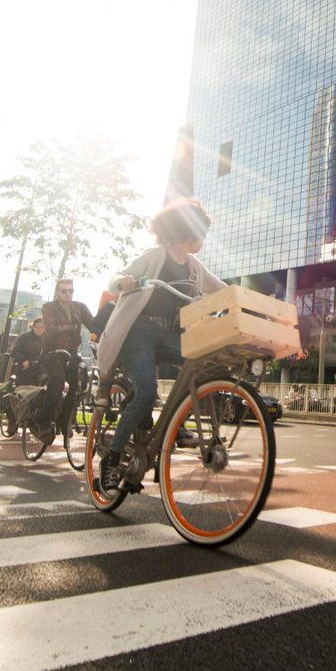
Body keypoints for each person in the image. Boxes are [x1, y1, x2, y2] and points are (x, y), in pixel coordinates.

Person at [96, 198, 225, 491]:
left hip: (167, 333)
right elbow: (114, 279)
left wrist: (248, 299)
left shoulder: (193, 267)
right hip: (137, 331)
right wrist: (126, 282)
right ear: (189, 233)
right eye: (201, 233)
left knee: (199, 367)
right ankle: (112, 458)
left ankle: (173, 427)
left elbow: (219, 287)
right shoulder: (155, 256)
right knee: (146, 393)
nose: (202, 240)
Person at [40, 281, 97, 441]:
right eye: (64, 291)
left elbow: (93, 324)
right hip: (52, 352)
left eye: (71, 291)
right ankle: (43, 422)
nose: (68, 294)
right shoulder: (48, 307)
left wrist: (106, 331)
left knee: (78, 386)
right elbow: (50, 330)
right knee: (57, 381)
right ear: (57, 292)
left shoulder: (79, 307)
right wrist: (71, 327)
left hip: (71, 353)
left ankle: (65, 422)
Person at [10, 318, 45, 385]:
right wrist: (23, 360)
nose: (39, 329)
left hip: (40, 371)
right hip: (25, 370)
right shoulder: (25, 337)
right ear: (33, 327)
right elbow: (15, 352)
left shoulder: (47, 340)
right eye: (37, 327)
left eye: (41, 327)